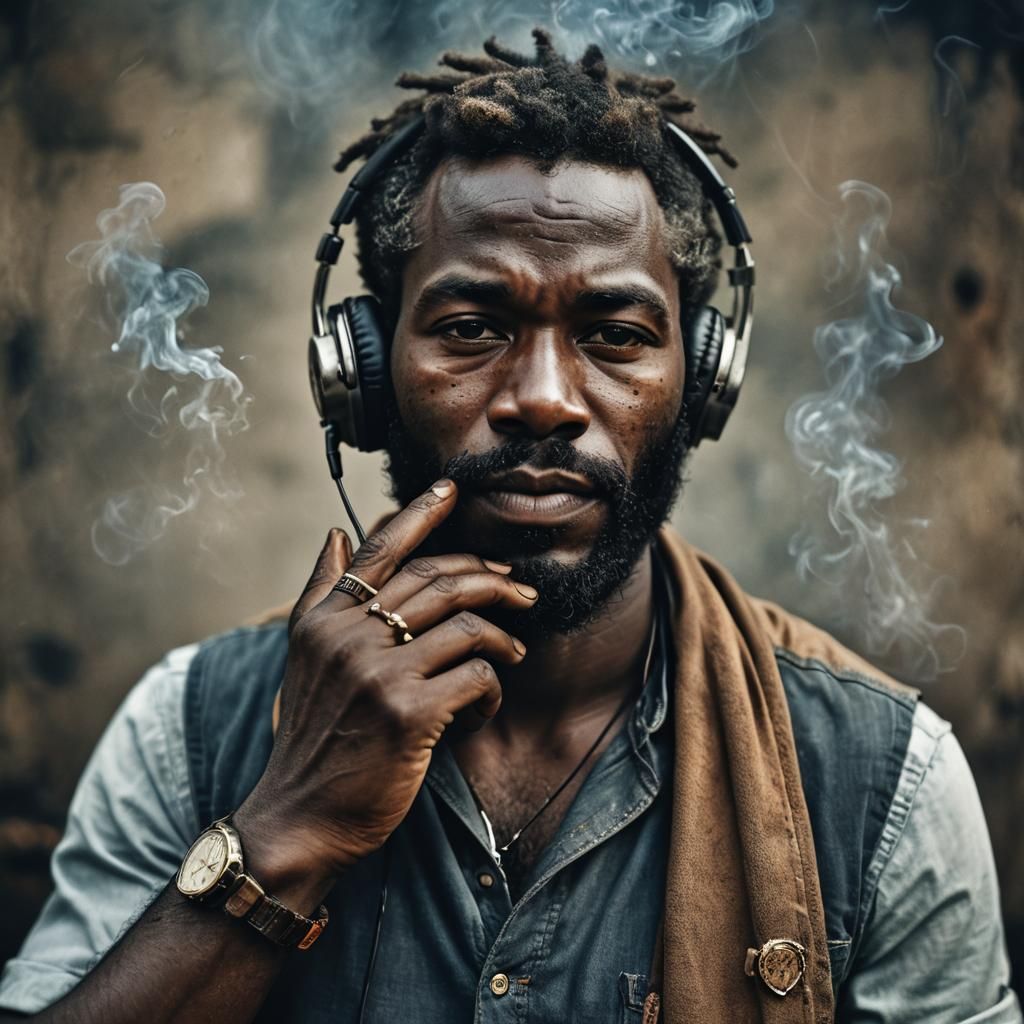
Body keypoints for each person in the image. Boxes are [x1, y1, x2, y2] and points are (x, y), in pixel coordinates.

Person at [0, 30, 1018, 1024]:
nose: (541, 398)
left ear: (704, 382)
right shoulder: (184, 730)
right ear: (357, 373)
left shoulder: (889, 780)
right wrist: (285, 828)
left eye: (615, 335)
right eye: (470, 328)